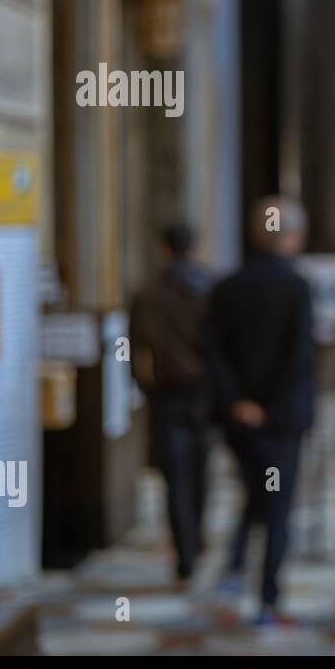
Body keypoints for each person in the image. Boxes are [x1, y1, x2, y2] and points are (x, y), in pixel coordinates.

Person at [205, 196, 314, 625]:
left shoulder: (227, 286)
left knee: (254, 493)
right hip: (281, 423)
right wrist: (274, 409)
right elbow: (298, 358)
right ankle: (268, 599)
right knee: (277, 509)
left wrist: (239, 403)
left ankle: (234, 568)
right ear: (291, 236)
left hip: (240, 420)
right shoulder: (296, 286)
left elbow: (214, 354)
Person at [129, 223, 213, 584]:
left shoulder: (148, 295)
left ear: (164, 251)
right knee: (200, 471)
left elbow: (135, 352)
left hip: (166, 394)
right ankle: (196, 535)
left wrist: (144, 386)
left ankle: (185, 552)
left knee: (175, 476)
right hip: (204, 394)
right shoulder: (210, 292)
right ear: (193, 249)